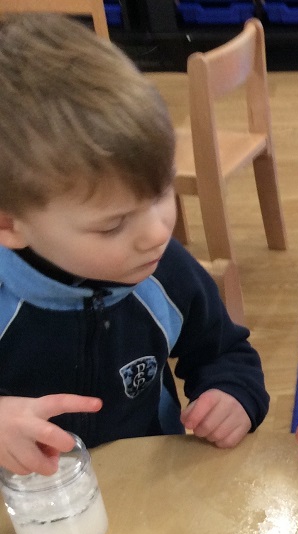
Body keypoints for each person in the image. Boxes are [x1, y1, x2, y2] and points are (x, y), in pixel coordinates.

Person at [0, 14, 269, 476]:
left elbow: (225, 351)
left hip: (150, 489)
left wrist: (233, 395)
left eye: (162, 191)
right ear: (10, 225)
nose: (158, 232)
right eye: (113, 225)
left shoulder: (163, 270)